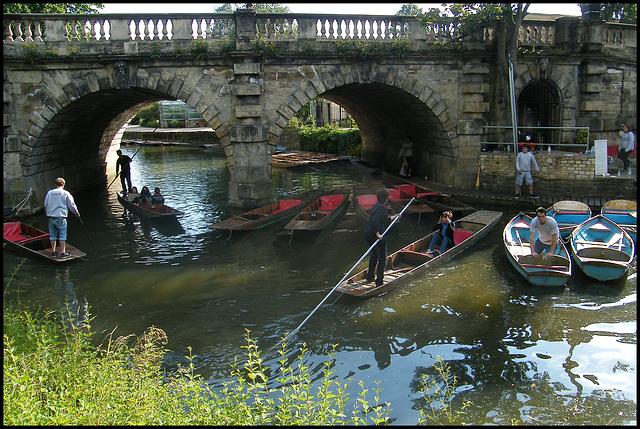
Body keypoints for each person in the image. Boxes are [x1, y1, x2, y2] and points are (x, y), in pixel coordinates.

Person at [365, 188, 400, 286]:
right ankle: (379, 282)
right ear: (385, 197)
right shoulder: (382, 208)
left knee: (374, 256)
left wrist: (395, 217)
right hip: (376, 235)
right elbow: (375, 221)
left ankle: (370, 277)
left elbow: (384, 219)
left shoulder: (377, 206)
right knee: (382, 259)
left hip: (368, 235)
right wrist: (377, 234)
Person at [44, 177, 80, 258]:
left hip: (51, 216)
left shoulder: (49, 193)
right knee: (62, 235)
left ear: (55, 184)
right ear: (63, 184)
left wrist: (48, 212)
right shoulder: (65, 193)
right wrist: (76, 213)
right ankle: (63, 252)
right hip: (61, 217)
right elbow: (71, 205)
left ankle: (53, 252)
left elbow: (45, 204)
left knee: (52, 235)